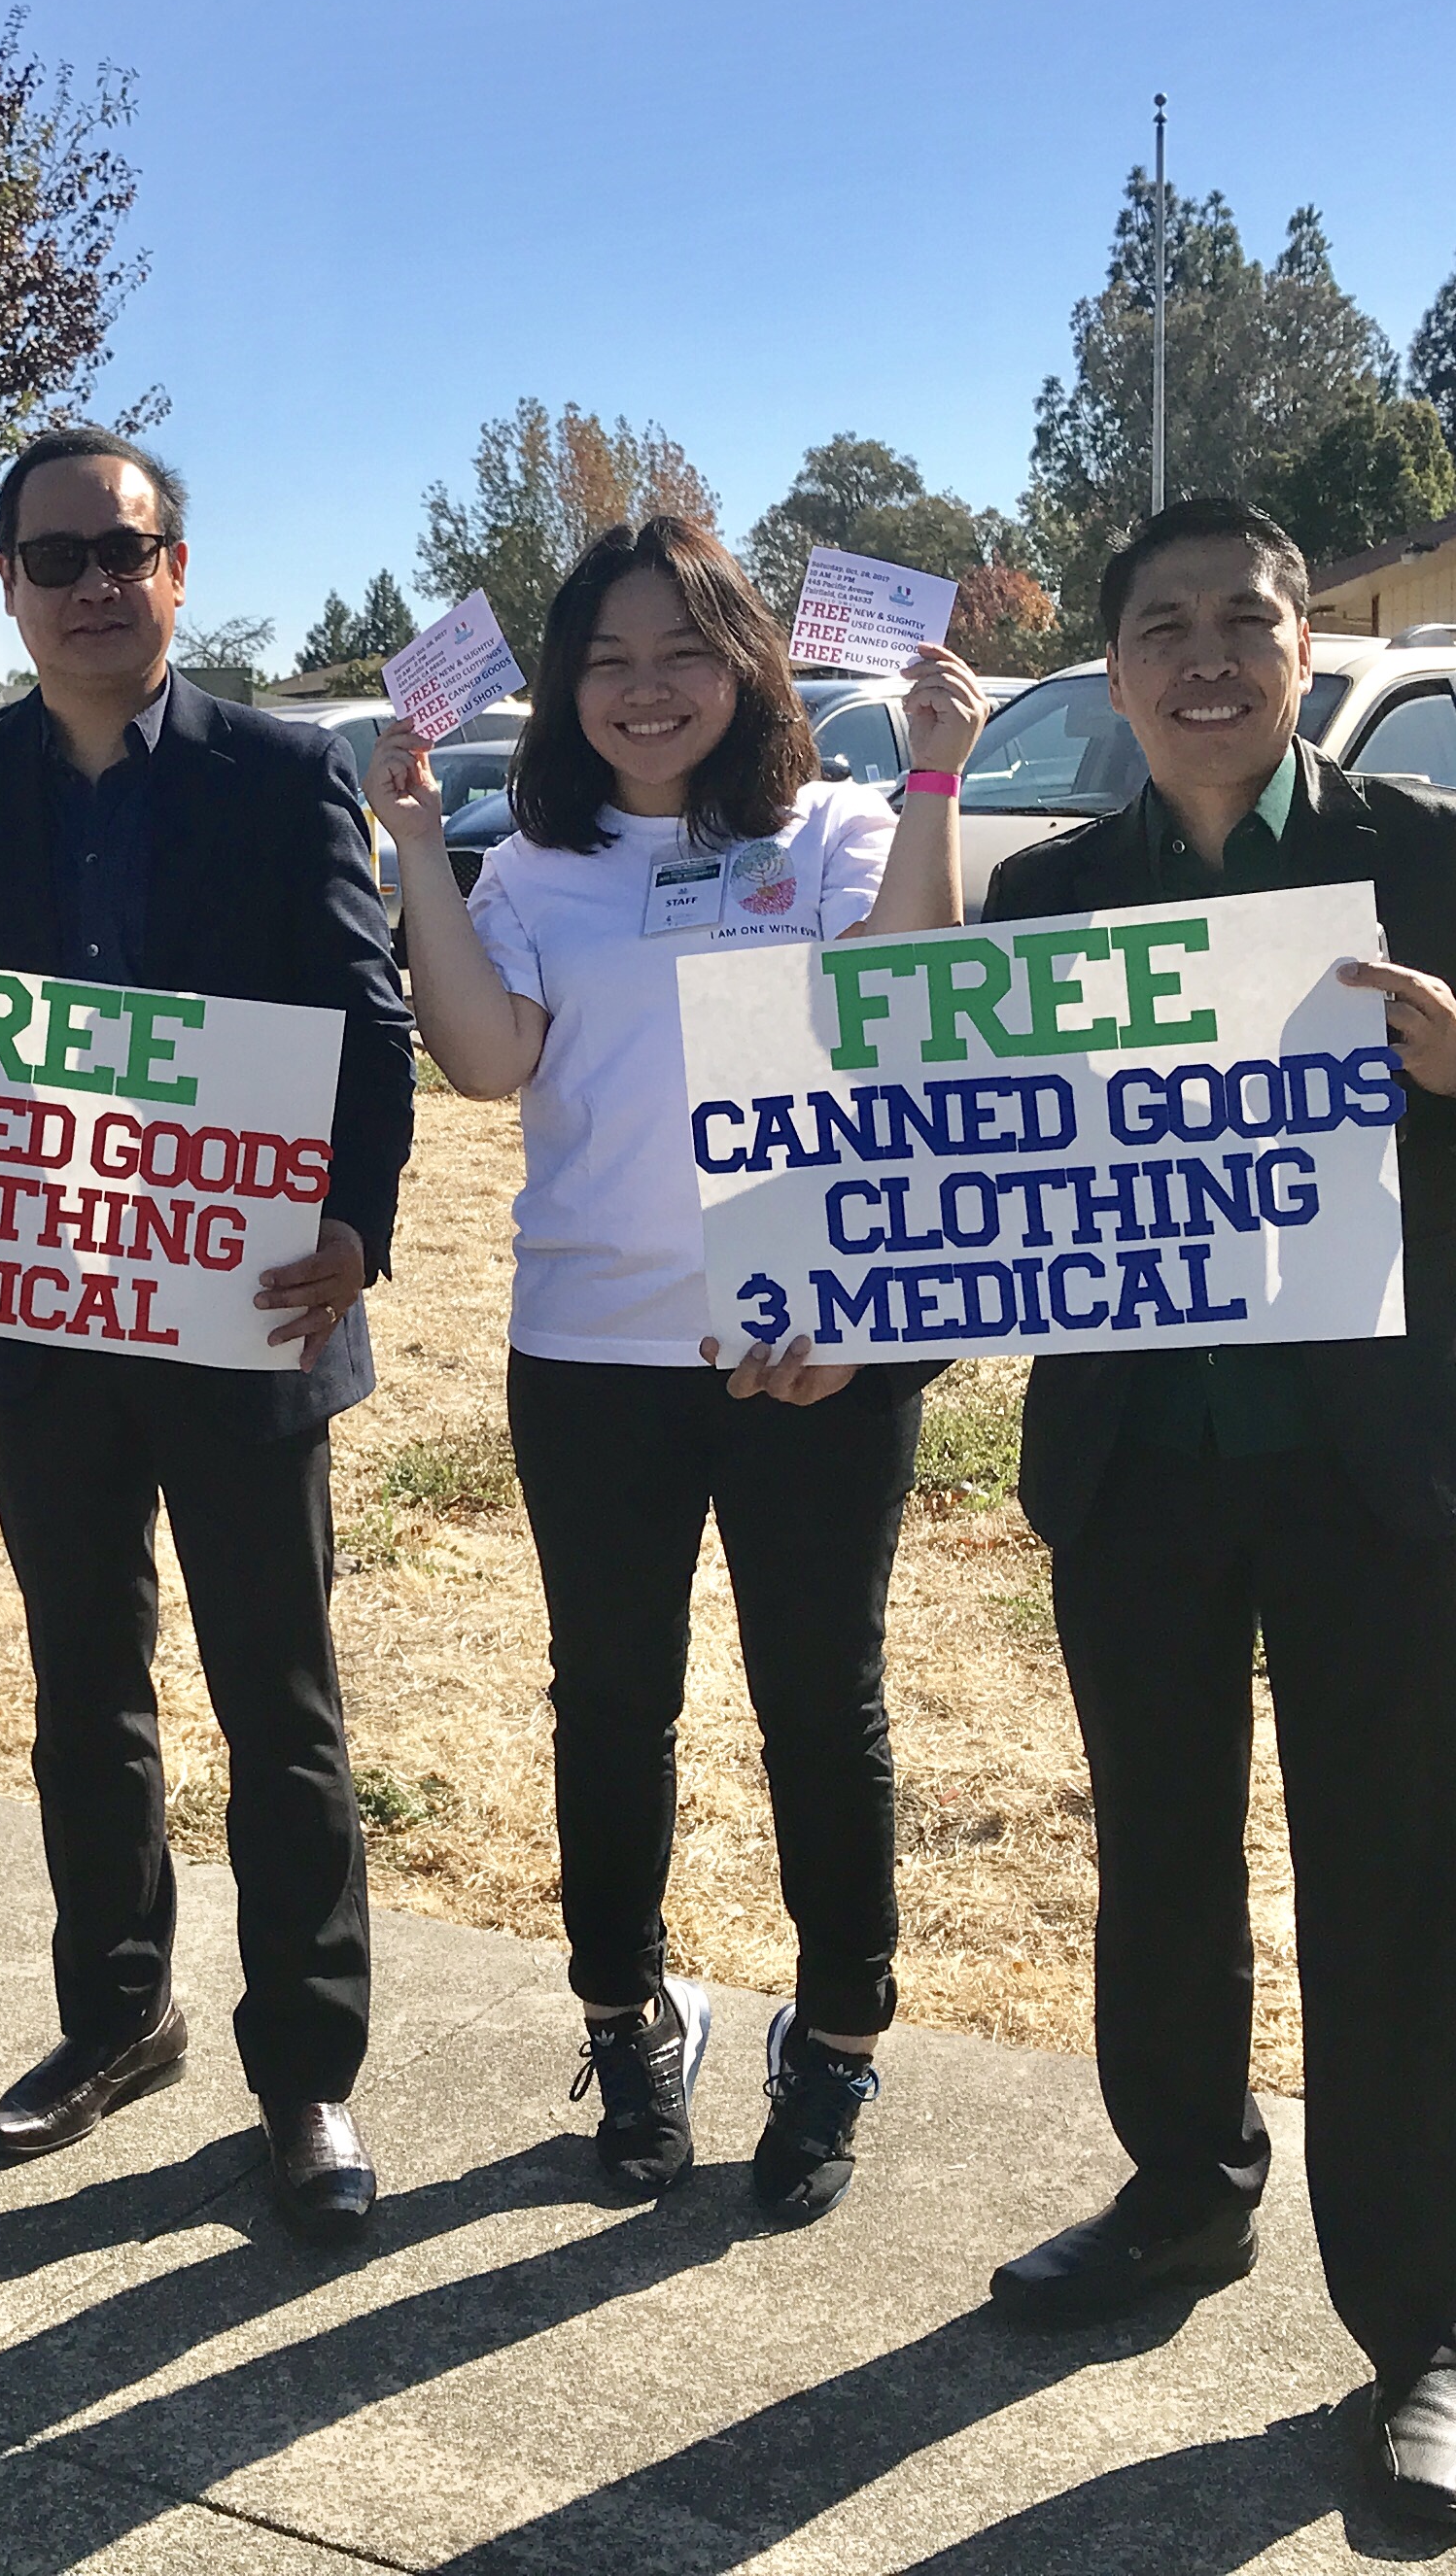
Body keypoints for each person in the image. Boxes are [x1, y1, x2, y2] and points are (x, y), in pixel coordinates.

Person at [977, 498, 1456, 2531]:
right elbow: (975, 1171)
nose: (1206, 659)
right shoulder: (1052, 895)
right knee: (1159, 1857)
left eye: (1244, 620)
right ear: (1114, 669)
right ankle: (1182, 2194)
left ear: (1305, 648)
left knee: (1395, 1888)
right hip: (1138, 1463)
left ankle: (1422, 2334)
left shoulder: (1434, 853)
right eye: (1162, 627)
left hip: (1366, 1466)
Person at [370, 518, 982, 2219]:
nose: (646, 690)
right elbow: (484, 1064)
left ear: (750, 664)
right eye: (609, 660)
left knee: (821, 1704)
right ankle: (629, 2020)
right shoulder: (532, 868)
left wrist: (939, 779)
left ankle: (837, 2039)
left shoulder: (840, 829)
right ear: (565, 687)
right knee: (611, 1701)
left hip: (813, 1342)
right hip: (590, 1351)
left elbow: (909, 1006)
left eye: (683, 652)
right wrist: (415, 843)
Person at [0, 426, 417, 2237]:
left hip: (246, 1308)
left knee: (281, 1701)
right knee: (82, 1691)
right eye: (58, 558)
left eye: (125, 551)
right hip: (45, 1332)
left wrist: (356, 1219)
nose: (95, 584)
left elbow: (365, 1018)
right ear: (9, 589)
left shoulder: (286, 771)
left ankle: (308, 2072)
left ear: (177, 570)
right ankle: (116, 2018)